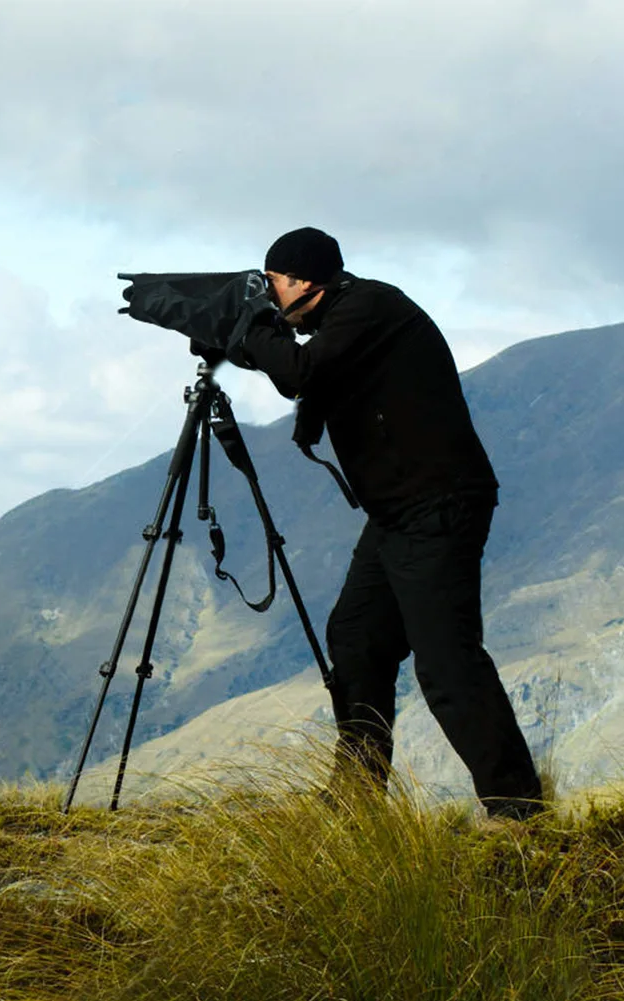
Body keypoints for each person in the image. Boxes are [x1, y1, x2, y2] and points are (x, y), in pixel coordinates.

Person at [226, 226, 543, 820]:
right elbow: (296, 367)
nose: (268, 296)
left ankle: (520, 813)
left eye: (271, 284)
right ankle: (357, 796)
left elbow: (298, 372)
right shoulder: (343, 320)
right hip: (399, 512)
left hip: (437, 506)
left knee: (447, 662)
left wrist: (250, 325)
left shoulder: (371, 307)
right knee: (356, 637)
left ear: (300, 280)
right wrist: (237, 332)